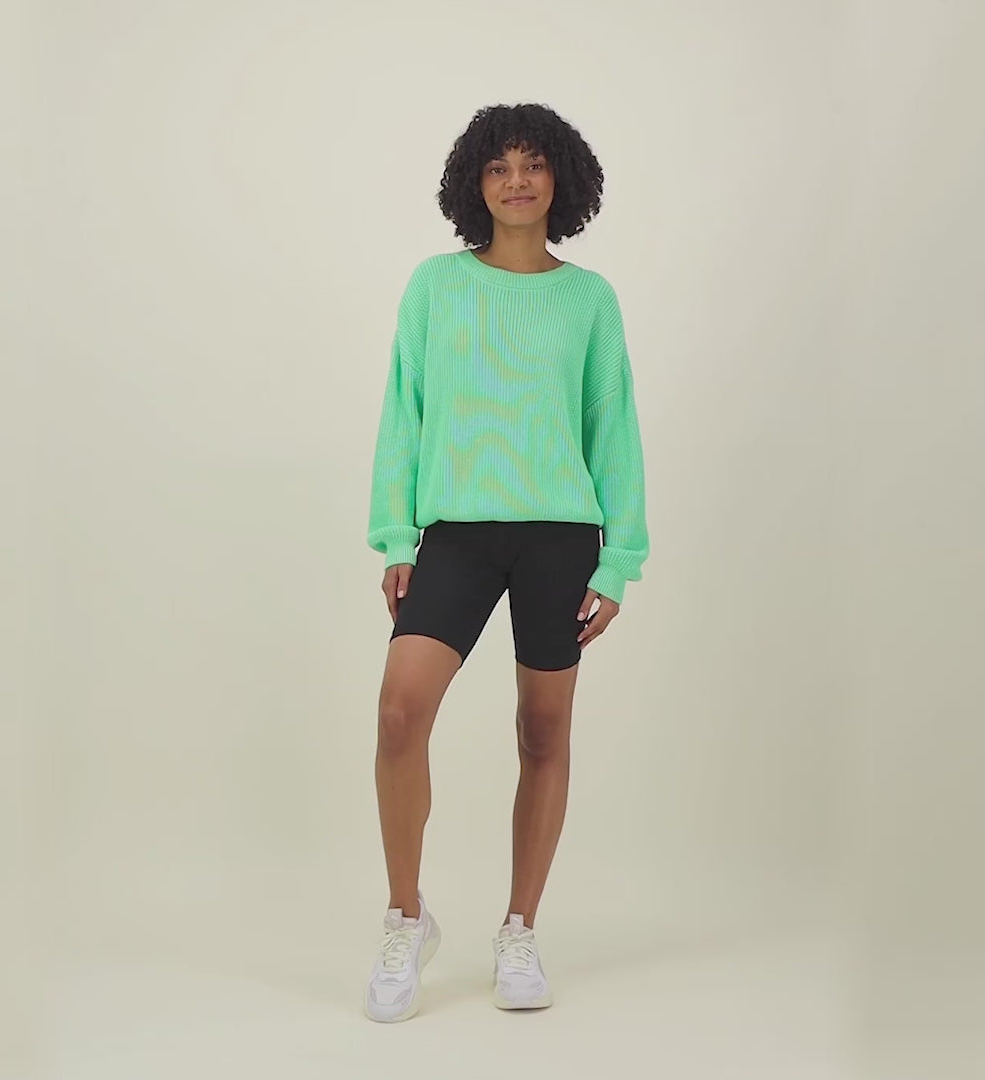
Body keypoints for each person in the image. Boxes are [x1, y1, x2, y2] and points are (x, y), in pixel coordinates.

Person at [362, 102, 650, 1023]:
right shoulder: (436, 285)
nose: (516, 181)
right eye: (498, 167)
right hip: (456, 533)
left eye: (532, 164)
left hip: (560, 538)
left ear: (561, 177)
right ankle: (406, 917)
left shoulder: (589, 300)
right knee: (401, 711)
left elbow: (613, 427)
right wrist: (395, 536)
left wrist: (619, 561)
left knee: (542, 732)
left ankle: (520, 928)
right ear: (473, 184)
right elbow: (404, 407)